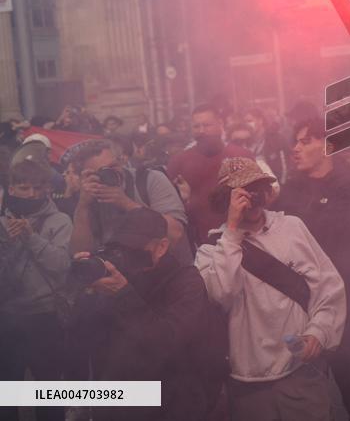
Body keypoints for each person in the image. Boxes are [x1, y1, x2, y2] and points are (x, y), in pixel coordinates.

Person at [196, 157, 346, 421]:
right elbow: (221, 295)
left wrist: (318, 331)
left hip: (300, 372)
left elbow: (328, 286)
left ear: (266, 193)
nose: (250, 199)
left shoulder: (292, 228)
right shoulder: (210, 252)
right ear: (225, 201)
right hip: (247, 381)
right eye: (240, 193)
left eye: (256, 189)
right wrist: (232, 231)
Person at [275, 118, 350, 421]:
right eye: (294, 142)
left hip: (345, 302)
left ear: (327, 146)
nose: (295, 149)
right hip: (300, 305)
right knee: (308, 394)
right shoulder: (288, 191)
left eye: (304, 141)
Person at [72, 208, 216, 421]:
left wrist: (123, 295)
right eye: (119, 249)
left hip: (169, 404)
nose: (125, 256)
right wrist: (86, 290)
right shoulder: (117, 277)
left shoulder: (186, 282)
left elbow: (167, 343)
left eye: (134, 249)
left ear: (161, 247)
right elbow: (84, 341)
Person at [0, 159, 71, 421]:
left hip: (45, 315)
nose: (30, 194)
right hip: (7, 316)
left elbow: (62, 265)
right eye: (23, 187)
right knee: (6, 393)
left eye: (36, 188)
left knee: (49, 391)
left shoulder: (59, 220)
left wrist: (32, 237)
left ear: (45, 189)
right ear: (11, 188)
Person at [68, 139, 192, 265]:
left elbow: (176, 234)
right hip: (124, 278)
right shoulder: (91, 195)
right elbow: (80, 253)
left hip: (169, 273)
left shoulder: (150, 180)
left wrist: (127, 203)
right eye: (101, 172)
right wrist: (83, 205)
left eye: (113, 166)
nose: (110, 173)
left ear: (122, 161)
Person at [167, 104, 251, 244]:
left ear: (220, 124)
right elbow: (169, 209)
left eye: (207, 125)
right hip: (199, 241)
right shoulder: (179, 161)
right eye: (196, 126)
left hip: (242, 238)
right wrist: (182, 200)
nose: (202, 131)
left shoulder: (241, 155)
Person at [244, 108, 288, 184]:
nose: (247, 125)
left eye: (250, 121)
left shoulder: (276, 139)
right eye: (245, 122)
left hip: (275, 185)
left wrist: (281, 185)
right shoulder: (245, 142)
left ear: (260, 121)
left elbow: (285, 166)